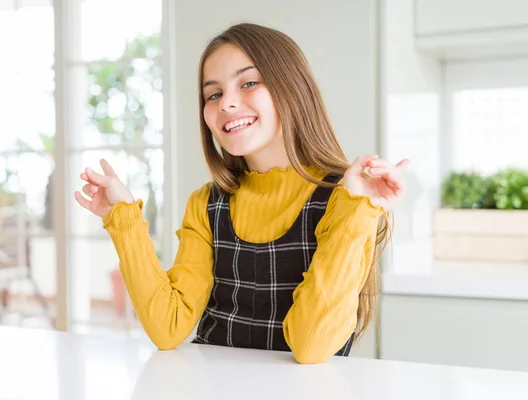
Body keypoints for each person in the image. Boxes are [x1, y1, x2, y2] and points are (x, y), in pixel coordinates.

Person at [74, 22, 409, 364]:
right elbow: (167, 327)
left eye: (248, 83)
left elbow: (311, 347)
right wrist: (125, 217)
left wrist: (359, 210)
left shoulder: (344, 199)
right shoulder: (206, 204)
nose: (227, 104)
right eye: (213, 94)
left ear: (291, 87)